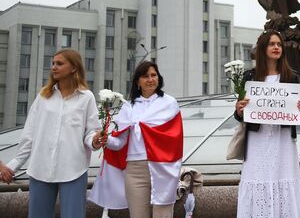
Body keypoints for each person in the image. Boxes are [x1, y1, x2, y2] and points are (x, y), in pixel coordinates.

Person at [4, 49, 101, 218]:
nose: (54, 67)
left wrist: (94, 141)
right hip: (40, 168)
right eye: (53, 63)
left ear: (73, 68)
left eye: (59, 63)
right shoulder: (43, 96)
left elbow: (90, 132)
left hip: (74, 170)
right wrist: (13, 166)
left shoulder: (87, 98)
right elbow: (30, 134)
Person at [89, 61, 184, 218]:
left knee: (163, 215)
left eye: (154, 75)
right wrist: (107, 140)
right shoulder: (128, 107)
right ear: (137, 81)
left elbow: (174, 138)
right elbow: (120, 142)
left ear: (159, 79)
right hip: (134, 170)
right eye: (145, 76)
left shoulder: (169, 103)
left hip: (163, 168)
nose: (150, 79)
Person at [234, 29, 300, 218]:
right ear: (263, 48)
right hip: (257, 139)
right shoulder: (250, 77)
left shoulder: (291, 77)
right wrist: (239, 110)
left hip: (282, 139)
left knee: (283, 178)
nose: (276, 48)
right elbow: (242, 115)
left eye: (279, 44)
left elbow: (299, 117)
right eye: (271, 44)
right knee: (257, 178)